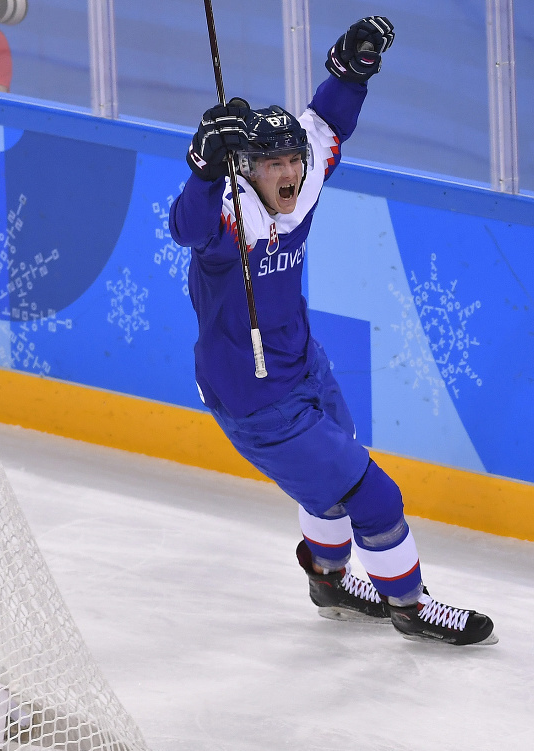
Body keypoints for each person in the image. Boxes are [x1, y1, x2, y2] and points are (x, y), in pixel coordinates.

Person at [170, 16, 497, 646]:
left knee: (332, 484)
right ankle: (410, 605)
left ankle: (329, 579)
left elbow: (327, 122)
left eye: (293, 159)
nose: (290, 171)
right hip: (255, 396)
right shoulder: (226, 217)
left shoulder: (301, 178)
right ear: (247, 171)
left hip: (303, 362)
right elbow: (185, 226)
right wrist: (205, 169)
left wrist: (353, 70)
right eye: (274, 163)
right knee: (376, 497)